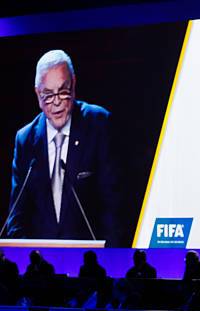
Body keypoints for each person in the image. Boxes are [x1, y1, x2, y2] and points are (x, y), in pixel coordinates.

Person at [5, 50, 117, 244]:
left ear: (73, 85)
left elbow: (113, 206)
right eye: (47, 95)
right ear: (37, 94)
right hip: (40, 265)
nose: (56, 102)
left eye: (63, 91)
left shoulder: (98, 123)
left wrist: (108, 260)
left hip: (91, 261)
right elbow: (16, 218)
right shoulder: (25, 140)